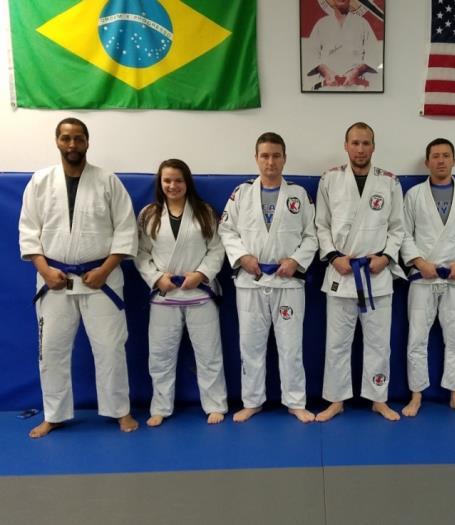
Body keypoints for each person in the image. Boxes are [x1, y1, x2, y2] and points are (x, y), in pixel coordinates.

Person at [18, 117, 139, 438]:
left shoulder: (108, 181)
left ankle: (120, 410)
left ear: (87, 142)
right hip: (54, 280)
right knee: (51, 351)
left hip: (101, 280)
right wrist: (44, 270)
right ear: (57, 141)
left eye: (78, 138)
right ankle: (54, 414)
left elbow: (126, 230)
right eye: (66, 138)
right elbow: (28, 231)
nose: (72, 144)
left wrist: (105, 270)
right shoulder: (40, 181)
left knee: (111, 349)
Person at [219, 133, 317, 423]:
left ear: (284, 158)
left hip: (288, 282)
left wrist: (295, 261)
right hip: (251, 281)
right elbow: (226, 230)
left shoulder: (299, 194)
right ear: (256, 158)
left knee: (291, 346)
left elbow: (312, 235)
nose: (270, 161)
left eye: (276, 155)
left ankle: (295, 401)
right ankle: (252, 401)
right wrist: (242, 257)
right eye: (265, 155)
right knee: (250, 346)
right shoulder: (241, 193)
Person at [315, 122, 405, 422]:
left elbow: (398, 228)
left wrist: (386, 257)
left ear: (373, 147)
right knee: (337, 343)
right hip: (341, 273)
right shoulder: (330, 179)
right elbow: (321, 225)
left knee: (379, 343)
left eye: (366, 143)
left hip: (376, 274)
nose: (360, 149)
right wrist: (333, 257)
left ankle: (378, 398)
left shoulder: (389, 182)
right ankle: (336, 400)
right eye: (355, 143)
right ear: (346, 146)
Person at [135, 159, 228, 427]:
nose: (172, 185)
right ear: (160, 183)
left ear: (187, 182)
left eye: (178, 180)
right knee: (160, 354)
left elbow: (217, 249)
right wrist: (156, 278)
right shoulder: (149, 214)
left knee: (209, 353)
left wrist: (201, 274)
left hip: (199, 291)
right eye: (167, 180)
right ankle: (160, 407)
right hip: (165, 293)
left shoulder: (204, 212)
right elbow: (140, 253)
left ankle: (215, 404)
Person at [400, 138, 455, 417]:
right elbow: (404, 234)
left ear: (454, 160)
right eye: (435, 156)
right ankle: (416, 395)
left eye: (446, 155)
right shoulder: (414, 195)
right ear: (427, 162)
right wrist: (419, 262)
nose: (441, 160)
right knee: (416, 339)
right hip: (422, 277)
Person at [305, 0, 381, 90]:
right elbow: (311, 55)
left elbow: (373, 55)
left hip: (356, 86)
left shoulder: (362, 23)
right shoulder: (322, 24)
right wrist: (325, 71)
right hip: (327, 86)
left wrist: (357, 71)